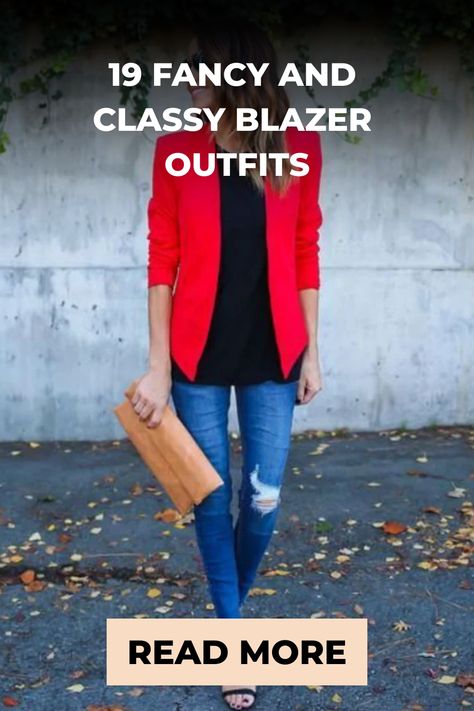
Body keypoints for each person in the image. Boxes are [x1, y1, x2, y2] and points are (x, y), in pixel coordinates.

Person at [132, 20, 323, 711]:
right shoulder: (177, 151)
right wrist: (157, 366)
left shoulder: (297, 149)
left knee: (264, 500)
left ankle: (225, 612)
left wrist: (313, 348)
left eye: (201, 69)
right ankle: (232, 640)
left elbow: (305, 248)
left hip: (274, 351)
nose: (190, 82)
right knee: (210, 496)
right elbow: (163, 258)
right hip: (196, 354)